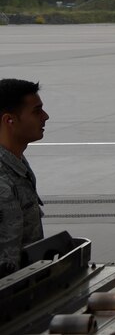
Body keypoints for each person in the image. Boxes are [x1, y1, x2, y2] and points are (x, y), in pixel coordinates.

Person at [0, 79, 48, 276]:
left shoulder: (16, 163)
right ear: (9, 120)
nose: (45, 117)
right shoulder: (3, 180)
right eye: (37, 111)